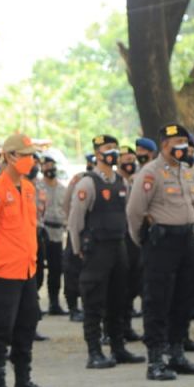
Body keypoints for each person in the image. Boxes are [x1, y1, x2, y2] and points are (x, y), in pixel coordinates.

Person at [0, 133, 57, 387]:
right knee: (0, 329)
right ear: (10, 157)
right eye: (25, 155)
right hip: (2, 271)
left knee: (26, 325)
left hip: (26, 270)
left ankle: (23, 380)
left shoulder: (29, 189)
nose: (30, 160)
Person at [125, 123, 194, 381]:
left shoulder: (188, 170)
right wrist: (142, 240)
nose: (182, 145)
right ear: (164, 145)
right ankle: (156, 359)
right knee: (157, 300)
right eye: (177, 141)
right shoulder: (150, 172)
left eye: (184, 140)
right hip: (162, 242)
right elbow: (135, 210)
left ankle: (177, 352)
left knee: (184, 298)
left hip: (186, 240)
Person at [67, 135, 145, 369]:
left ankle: (118, 347)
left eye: (114, 148)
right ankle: (94, 351)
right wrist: (77, 248)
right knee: (93, 300)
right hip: (96, 249)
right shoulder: (87, 183)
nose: (112, 153)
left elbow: (129, 213)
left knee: (119, 299)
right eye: (107, 149)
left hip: (118, 246)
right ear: (97, 153)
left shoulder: (122, 182)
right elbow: (75, 220)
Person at [61, 153, 95, 322]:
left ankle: (90, 307)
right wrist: (74, 224)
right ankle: (73, 307)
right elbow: (67, 204)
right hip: (79, 230)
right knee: (72, 269)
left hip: (96, 234)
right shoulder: (79, 180)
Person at [116, 146, 143, 342]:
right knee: (118, 285)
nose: (130, 162)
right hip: (118, 237)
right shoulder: (112, 182)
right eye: (126, 158)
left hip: (134, 238)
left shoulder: (138, 180)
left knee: (133, 282)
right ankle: (114, 329)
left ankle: (126, 325)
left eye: (132, 158)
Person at [38, 155, 67, 315]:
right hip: (43, 233)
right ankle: (34, 304)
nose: (50, 168)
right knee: (39, 270)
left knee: (56, 269)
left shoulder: (62, 188)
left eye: (52, 164)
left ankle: (54, 303)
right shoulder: (37, 188)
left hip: (57, 233)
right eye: (46, 165)